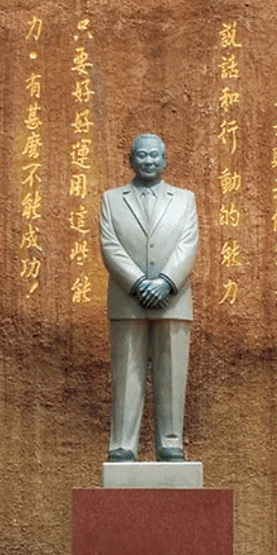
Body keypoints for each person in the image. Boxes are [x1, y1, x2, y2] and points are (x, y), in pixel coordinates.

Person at [98, 133, 198, 462]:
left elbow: (188, 244)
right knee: (127, 372)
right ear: (130, 160)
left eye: (155, 155)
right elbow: (110, 246)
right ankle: (122, 444)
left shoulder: (185, 200)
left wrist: (167, 281)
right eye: (141, 155)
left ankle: (170, 442)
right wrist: (139, 282)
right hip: (128, 300)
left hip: (174, 299)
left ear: (165, 160)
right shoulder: (112, 200)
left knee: (172, 374)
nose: (149, 161)